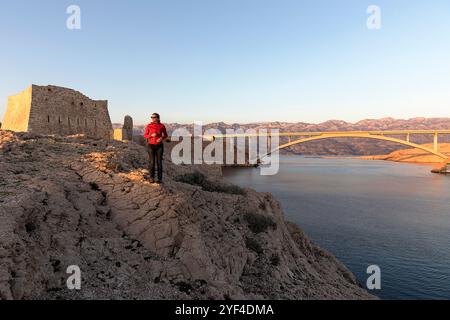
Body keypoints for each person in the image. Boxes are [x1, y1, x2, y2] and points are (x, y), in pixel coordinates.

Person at [143, 113, 168, 184]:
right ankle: (152, 178)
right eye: (152, 117)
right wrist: (151, 135)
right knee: (152, 162)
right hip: (151, 145)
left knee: (159, 162)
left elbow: (165, 135)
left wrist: (161, 138)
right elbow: (145, 135)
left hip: (159, 146)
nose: (153, 118)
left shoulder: (162, 126)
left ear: (158, 118)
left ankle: (160, 179)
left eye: (154, 117)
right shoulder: (149, 125)